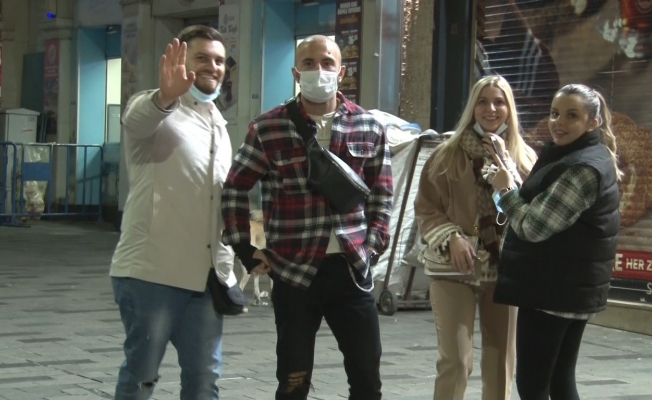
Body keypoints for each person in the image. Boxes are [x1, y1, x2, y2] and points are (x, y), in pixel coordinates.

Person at [221, 35, 393, 400]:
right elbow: (235, 187)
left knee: (367, 380)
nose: (319, 70)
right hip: (293, 272)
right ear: (296, 73)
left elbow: (381, 194)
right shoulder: (268, 128)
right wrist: (244, 248)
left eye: (328, 63)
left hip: (350, 270)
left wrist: (373, 246)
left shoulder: (369, 126)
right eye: (309, 63)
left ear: (341, 72)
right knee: (293, 381)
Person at [109, 25, 236, 400]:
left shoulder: (218, 124)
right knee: (142, 375)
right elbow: (137, 120)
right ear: (180, 60)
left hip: (205, 280)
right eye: (202, 58)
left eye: (219, 60)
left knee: (204, 379)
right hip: (153, 274)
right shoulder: (153, 107)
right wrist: (165, 95)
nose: (213, 66)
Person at [491, 84, 622, 400]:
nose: (558, 123)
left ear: (593, 122)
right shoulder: (578, 155)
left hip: (554, 289)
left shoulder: (582, 167)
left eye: (571, 116)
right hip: (565, 287)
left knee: (534, 385)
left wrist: (505, 191)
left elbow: (533, 226)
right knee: (560, 381)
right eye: (554, 113)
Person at [414, 75, 537, 400]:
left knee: (501, 361)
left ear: (509, 109)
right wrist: (451, 236)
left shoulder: (525, 157)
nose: (490, 109)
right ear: (472, 107)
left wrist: (506, 170)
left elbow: (533, 213)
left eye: (499, 102)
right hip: (453, 268)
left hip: (505, 271)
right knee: (456, 361)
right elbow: (426, 207)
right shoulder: (446, 154)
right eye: (483, 101)